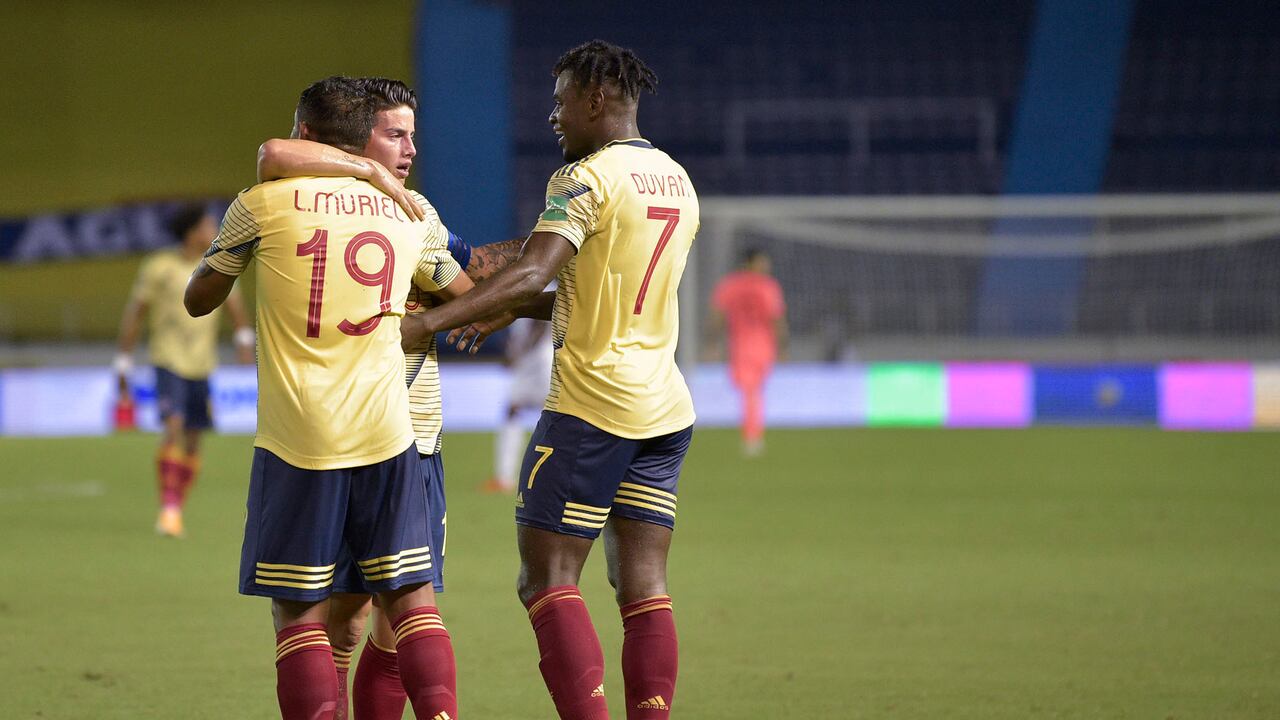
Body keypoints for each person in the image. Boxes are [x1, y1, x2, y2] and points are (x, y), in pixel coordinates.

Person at [404, 40, 697, 720]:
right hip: (664, 406)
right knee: (642, 583)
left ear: (597, 98)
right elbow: (583, 290)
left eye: (562, 99)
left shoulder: (584, 179)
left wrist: (425, 326)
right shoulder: (676, 179)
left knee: (547, 578)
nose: (553, 115)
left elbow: (537, 271)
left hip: (593, 403)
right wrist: (494, 305)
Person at [184, 75, 474, 720]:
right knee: (411, 604)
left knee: (300, 616)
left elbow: (199, 298)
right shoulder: (413, 212)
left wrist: (221, 263)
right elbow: (465, 292)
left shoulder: (263, 203)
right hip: (390, 434)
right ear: (361, 139)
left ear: (308, 136)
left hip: (300, 439)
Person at [255, 76, 526, 720]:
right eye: (395, 136)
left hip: (409, 433)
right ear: (353, 140)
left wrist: (536, 262)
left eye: (413, 137)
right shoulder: (306, 198)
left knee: (384, 619)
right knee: (364, 618)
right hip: (361, 438)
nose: (409, 151)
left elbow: (466, 272)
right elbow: (275, 152)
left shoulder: (415, 213)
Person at [114, 203, 253, 537]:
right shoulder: (159, 267)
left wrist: (244, 338)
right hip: (168, 360)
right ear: (192, 233)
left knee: (193, 439)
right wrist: (123, 360)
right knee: (173, 426)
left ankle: (178, 505)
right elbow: (136, 312)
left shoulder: (216, 266)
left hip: (202, 365)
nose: (213, 231)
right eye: (207, 226)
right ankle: (169, 509)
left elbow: (235, 307)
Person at [710, 248, 787, 456]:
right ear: (750, 263)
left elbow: (717, 316)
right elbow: (777, 318)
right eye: (762, 263)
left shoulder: (729, 285)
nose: (765, 267)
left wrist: (712, 342)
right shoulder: (768, 287)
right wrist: (783, 346)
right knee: (753, 391)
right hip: (760, 346)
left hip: (743, 346)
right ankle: (753, 435)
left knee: (750, 391)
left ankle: (752, 436)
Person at [483, 316, 554, 494]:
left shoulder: (542, 289)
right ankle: (505, 477)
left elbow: (538, 323)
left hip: (540, 360)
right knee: (515, 411)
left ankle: (508, 477)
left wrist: (519, 353)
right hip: (533, 359)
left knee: (551, 415)